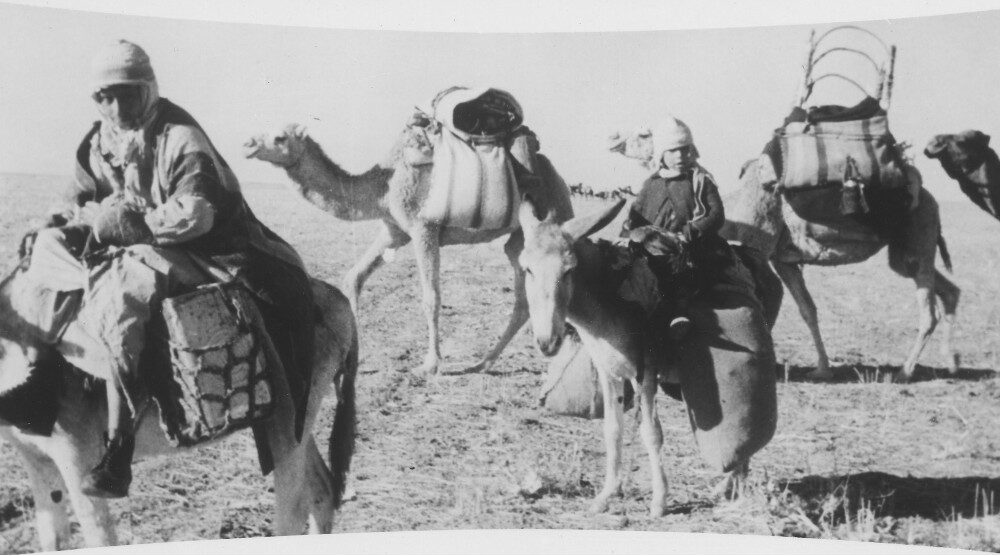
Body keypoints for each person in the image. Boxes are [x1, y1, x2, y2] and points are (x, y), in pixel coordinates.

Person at [22, 40, 316, 498]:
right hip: (127, 240)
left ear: (148, 89)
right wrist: (60, 223)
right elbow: (76, 199)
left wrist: (133, 225)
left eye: (127, 94)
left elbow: (197, 213)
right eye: (106, 97)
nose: (117, 108)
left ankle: (118, 446)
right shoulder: (99, 142)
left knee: (122, 292)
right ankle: (50, 377)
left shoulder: (180, 136)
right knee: (46, 249)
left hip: (203, 249)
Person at [621, 116, 727, 342]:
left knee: (679, 270)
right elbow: (635, 216)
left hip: (690, 245)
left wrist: (689, 233)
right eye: (673, 151)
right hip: (652, 245)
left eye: (684, 149)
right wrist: (627, 233)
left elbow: (716, 215)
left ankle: (678, 314)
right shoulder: (651, 183)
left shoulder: (701, 180)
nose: (680, 156)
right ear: (661, 153)